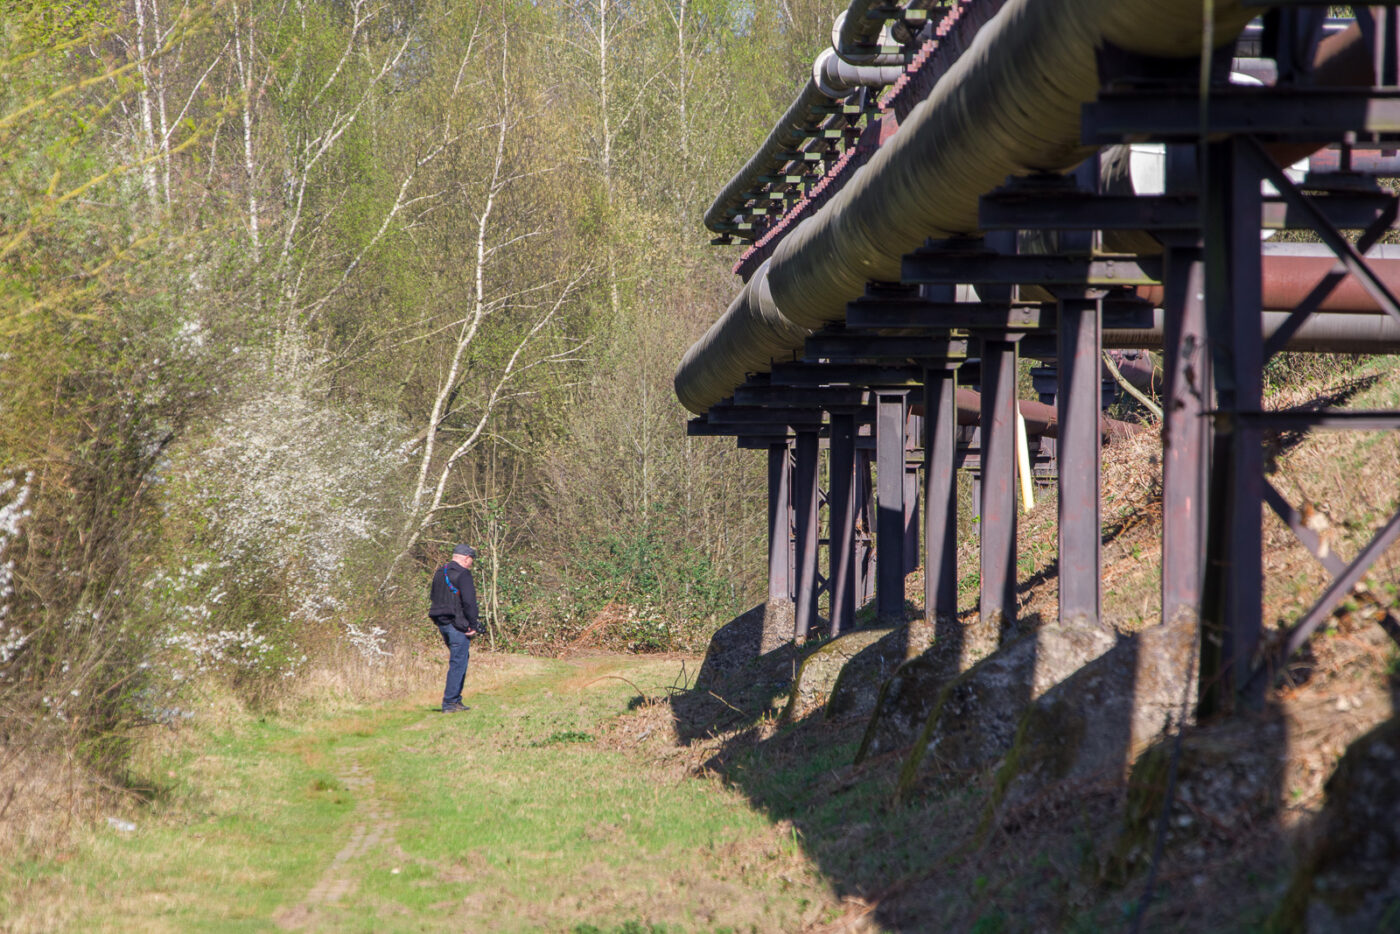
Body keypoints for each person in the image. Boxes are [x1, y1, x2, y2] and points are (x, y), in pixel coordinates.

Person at [428, 544, 480, 713]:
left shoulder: (439, 572)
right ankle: (450, 703)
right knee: (458, 663)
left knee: (458, 660)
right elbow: (469, 602)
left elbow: (433, 596)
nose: (470, 564)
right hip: (457, 625)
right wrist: (472, 624)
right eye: (471, 560)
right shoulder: (463, 574)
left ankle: (456, 700)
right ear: (466, 558)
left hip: (441, 622)